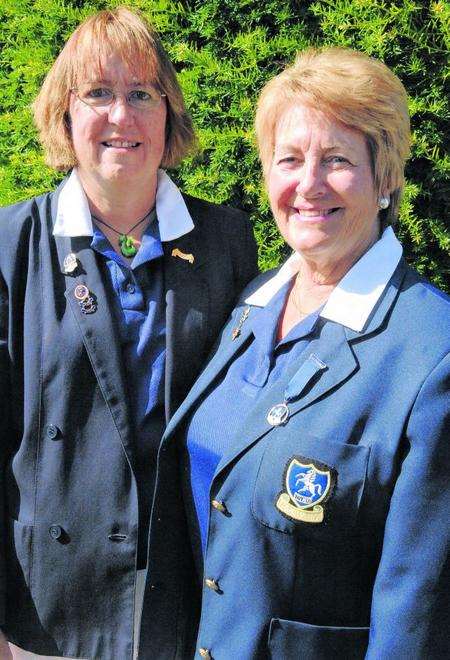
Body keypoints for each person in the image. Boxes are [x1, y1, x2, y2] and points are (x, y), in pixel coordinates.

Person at [148, 48, 450, 659]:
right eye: (289, 160)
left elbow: (417, 612)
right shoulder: (253, 300)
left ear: (385, 174)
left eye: (336, 160)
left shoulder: (433, 355)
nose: (307, 185)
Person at [0, 7, 257, 659]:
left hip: (182, 596)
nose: (121, 115)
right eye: (98, 94)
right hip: (47, 610)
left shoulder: (226, 241)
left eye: (142, 93)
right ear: (65, 113)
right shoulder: (10, 245)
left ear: (168, 112)